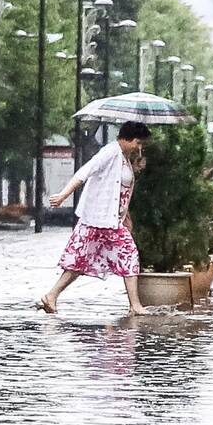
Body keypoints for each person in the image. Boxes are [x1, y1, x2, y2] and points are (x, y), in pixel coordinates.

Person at [37, 121, 152, 316]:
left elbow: (120, 191)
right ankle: (135, 305)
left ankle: (51, 295)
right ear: (128, 138)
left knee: (84, 260)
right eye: (138, 142)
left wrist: (126, 216)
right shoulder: (110, 152)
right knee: (126, 254)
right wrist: (63, 195)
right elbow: (85, 172)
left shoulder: (123, 157)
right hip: (98, 219)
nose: (138, 147)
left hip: (109, 222)